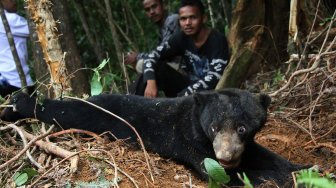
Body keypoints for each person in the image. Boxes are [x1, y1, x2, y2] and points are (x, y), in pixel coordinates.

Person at [136, 0, 229, 98]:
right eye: (183, 19)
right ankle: (132, 104)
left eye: (193, 17)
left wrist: (182, 96)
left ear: (204, 18)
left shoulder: (217, 40)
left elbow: (215, 77)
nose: (187, 23)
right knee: (156, 68)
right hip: (187, 86)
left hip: (209, 94)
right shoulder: (181, 37)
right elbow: (152, 56)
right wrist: (150, 81)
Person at [125, 0, 180, 73]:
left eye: (154, 6)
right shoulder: (162, 28)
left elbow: (163, 53)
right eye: (147, 10)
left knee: (142, 64)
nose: (152, 12)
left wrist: (137, 56)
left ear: (163, 5)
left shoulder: (172, 20)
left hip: (184, 68)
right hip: (174, 67)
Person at [0, 0, 34, 97]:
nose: (14, 1)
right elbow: (38, 30)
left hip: (5, 78)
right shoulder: (10, 19)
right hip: (15, 81)